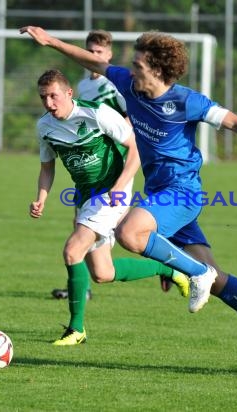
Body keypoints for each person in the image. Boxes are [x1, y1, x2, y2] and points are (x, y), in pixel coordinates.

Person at [21, 26, 237, 362]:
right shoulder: (129, 86)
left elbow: (236, 122)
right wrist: (51, 41)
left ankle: (195, 274)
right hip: (159, 194)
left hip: (183, 192)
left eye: (139, 66)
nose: (131, 71)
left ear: (158, 71)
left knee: (130, 232)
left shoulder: (186, 101)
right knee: (218, 280)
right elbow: (91, 60)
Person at [30, 69, 188, 346]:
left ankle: (75, 329)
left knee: (72, 251)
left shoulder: (97, 113)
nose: (49, 103)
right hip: (85, 196)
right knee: (102, 273)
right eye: (43, 98)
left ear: (69, 93)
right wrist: (42, 196)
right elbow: (47, 167)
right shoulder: (45, 127)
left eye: (54, 96)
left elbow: (135, 147)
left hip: (111, 191)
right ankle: (167, 269)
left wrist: (119, 186)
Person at [50, 30, 185, 301]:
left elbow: (132, 116)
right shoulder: (83, 85)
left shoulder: (115, 86)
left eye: (98, 53)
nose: (93, 56)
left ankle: (83, 290)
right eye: (90, 51)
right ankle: (164, 264)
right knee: (98, 239)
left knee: (87, 230)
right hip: (94, 165)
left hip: (118, 163)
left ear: (108, 55)